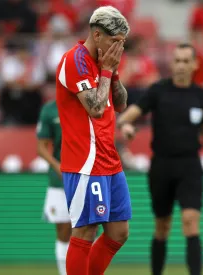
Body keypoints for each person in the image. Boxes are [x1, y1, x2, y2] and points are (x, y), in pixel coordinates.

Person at [117, 43, 203, 275]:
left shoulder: (201, 96)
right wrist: (127, 127)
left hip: (190, 165)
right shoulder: (158, 90)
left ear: (195, 64)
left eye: (186, 61)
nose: (181, 65)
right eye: (177, 60)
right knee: (162, 226)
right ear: (172, 63)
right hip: (161, 165)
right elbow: (126, 118)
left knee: (191, 222)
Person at [55, 6, 131, 275]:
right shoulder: (74, 60)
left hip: (109, 158)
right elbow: (96, 109)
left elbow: (120, 104)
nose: (118, 49)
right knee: (85, 231)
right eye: (115, 42)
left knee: (119, 232)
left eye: (122, 44)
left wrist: (114, 71)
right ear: (97, 35)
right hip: (85, 160)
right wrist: (107, 71)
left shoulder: (104, 63)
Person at [36, 100, 70, 275]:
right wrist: (57, 166)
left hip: (88, 176)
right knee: (64, 230)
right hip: (60, 181)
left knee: (89, 229)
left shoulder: (88, 101)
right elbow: (41, 147)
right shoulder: (50, 110)